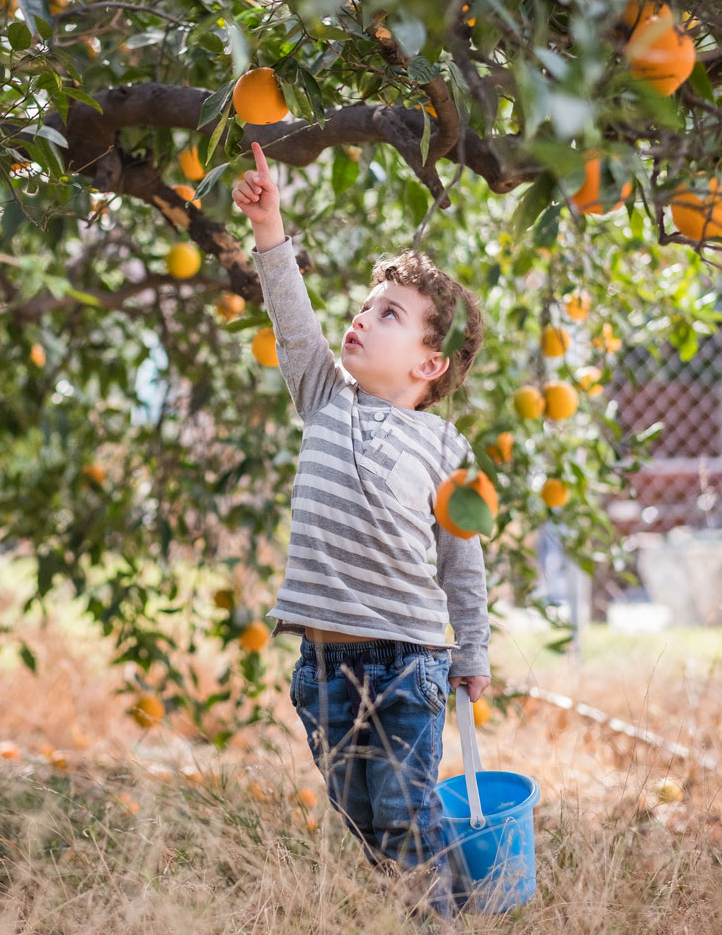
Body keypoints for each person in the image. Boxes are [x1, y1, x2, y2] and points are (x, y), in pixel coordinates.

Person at [232, 141, 491, 926]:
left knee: (405, 813)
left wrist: (472, 653)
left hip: (407, 661)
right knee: (364, 819)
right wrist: (269, 225)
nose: (361, 318)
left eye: (390, 315)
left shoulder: (447, 450)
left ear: (429, 364)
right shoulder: (323, 395)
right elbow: (291, 314)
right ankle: (463, 900)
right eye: (365, 305)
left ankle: (437, 918)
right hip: (321, 666)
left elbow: (463, 563)